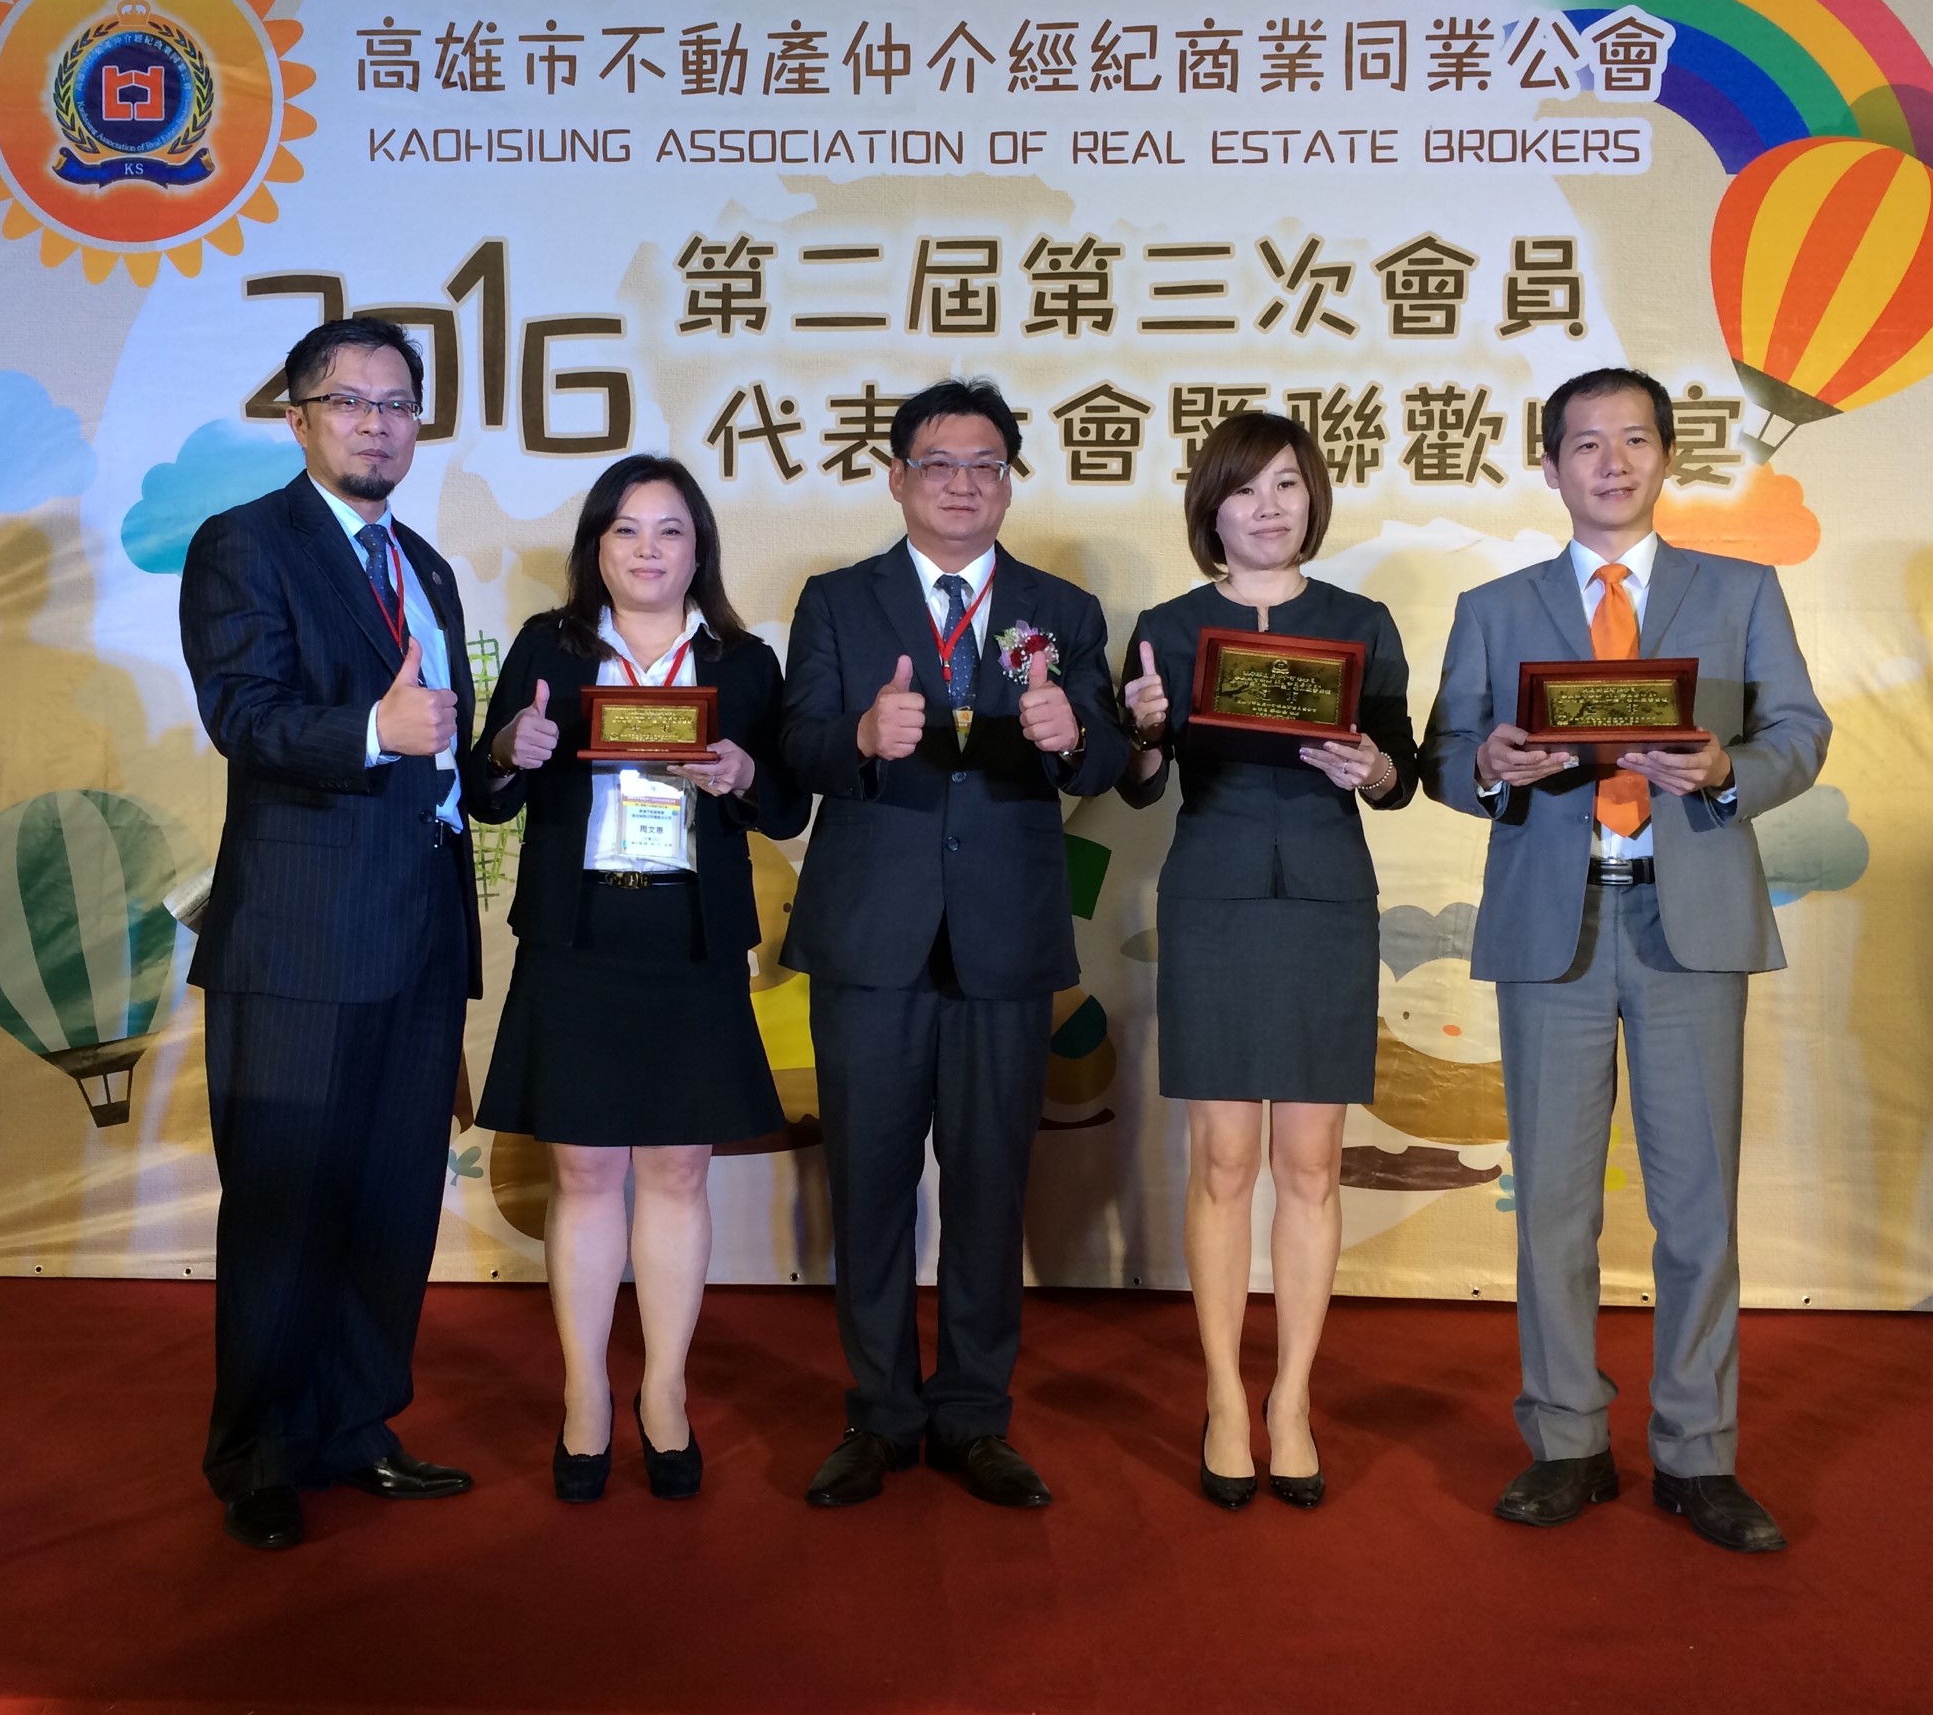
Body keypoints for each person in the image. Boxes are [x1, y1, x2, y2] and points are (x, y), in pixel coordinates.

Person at [1419, 366, 1829, 1553]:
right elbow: (1444, 754)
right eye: (1586, 443)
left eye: (1634, 440)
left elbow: (1799, 730)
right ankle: (1566, 1442)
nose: (1611, 462)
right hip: (1550, 931)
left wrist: (1729, 770)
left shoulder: (1739, 590)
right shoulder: (1494, 607)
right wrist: (1489, 765)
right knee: (1550, 1204)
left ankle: (1698, 1456)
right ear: (1548, 465)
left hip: (1688, 923)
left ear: (1666, 456)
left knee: (1696, 1207)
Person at [780, 377, 1126, 1509]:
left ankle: (975, 1413)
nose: (963, 484)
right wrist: (858, 735)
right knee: (869, 1182)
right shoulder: (838, 601)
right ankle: (879, 1413)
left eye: (986, 464)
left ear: (1009, 482)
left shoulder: (1060, 609)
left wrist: (1072, 737)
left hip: (1003, 940)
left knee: (987, 1185)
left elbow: (1110, 756)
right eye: (939, 463)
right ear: (897, 479)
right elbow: (793, 748)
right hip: (869, 939)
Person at [179, 316, 483, 1551]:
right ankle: (256, 1451)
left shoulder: (427, 567)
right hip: (300, 941)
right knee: (284, 1206)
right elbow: (243, 715)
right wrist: (370, 731)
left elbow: (440, 750)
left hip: (419, 936)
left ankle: (356, 1425)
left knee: (390, 1202)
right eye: (350, 401)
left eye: (397, 404)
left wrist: (497, 755)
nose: (377, 424)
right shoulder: (246, 543)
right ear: (297, 417)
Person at [470, 455, 808, 1502]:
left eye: (669, 531)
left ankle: (663, 1391)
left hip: (687, 936)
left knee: (676, 1172)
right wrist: (510, 749)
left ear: (699, 550)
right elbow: (485, 791)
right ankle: (584, 1394)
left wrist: (742, 774)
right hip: (577, 933)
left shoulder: (742, 662)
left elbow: (786, 804)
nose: (648, 549)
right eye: (625, 529)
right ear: (596, 548)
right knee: (582, 1173)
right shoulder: (549, 647)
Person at [1117, 411, 1418, 1511]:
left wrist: (1371, 766)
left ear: (1311, 498)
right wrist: (1142, 731)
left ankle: (1289, 1398)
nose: (1267, 507)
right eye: (1244, 488)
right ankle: (1222, 1399)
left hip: (1327, 903)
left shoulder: (1359, 621)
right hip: (1213, 899)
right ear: (1212, 506)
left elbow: (1403, 774)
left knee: (1310, 1162)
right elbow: (1137, 786)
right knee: (1223, 1162)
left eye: (1286, 484)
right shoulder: (1167, 626)